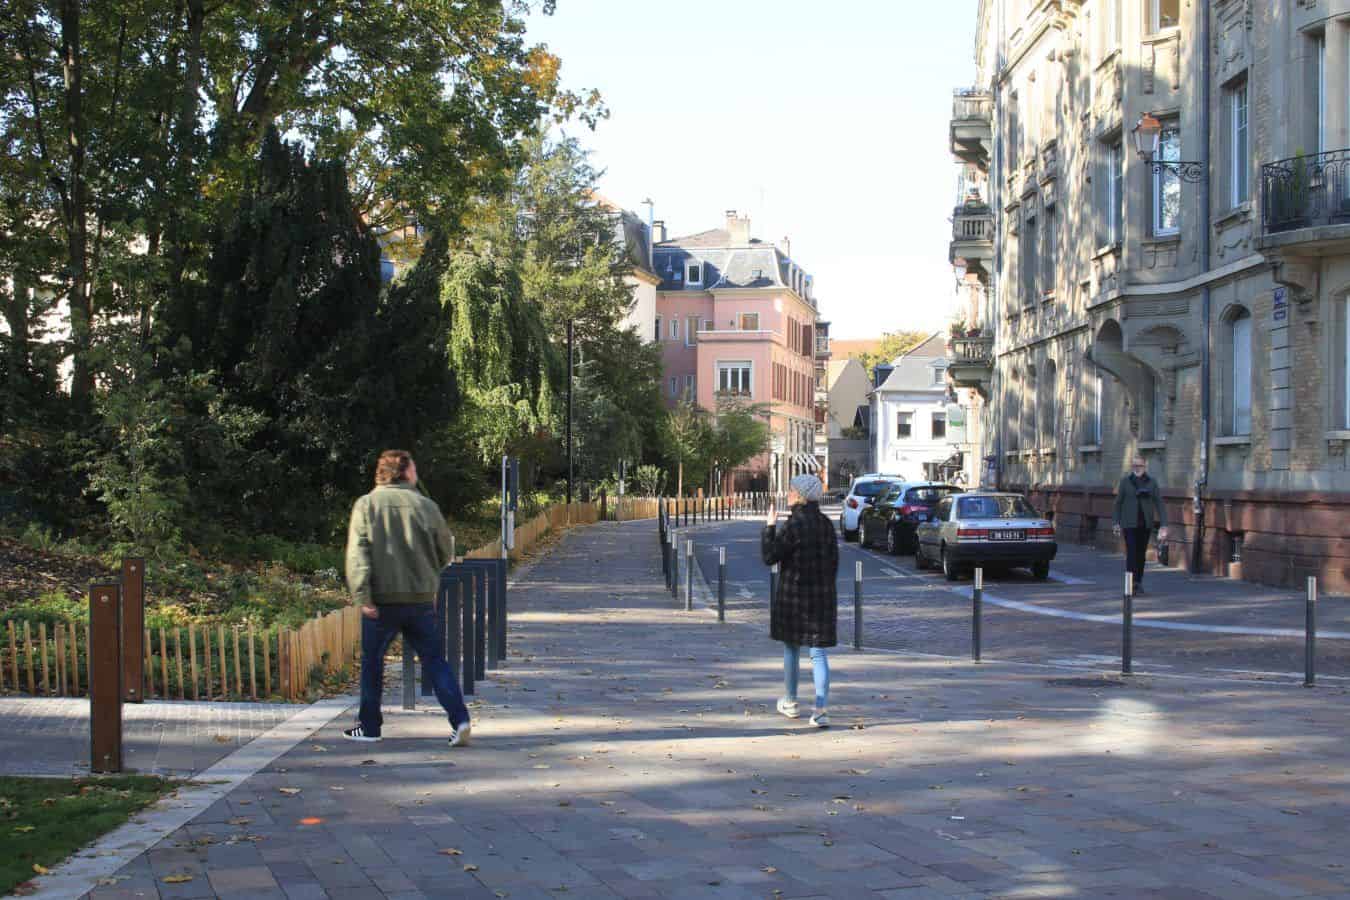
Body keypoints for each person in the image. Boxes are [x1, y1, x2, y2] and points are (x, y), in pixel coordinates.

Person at [343, 450, 471, 747]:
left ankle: (370, 727)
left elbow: (357, 555)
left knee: (372, 662)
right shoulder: (426, 506)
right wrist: (429, 578)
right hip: (420, 599)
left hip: (381, 600)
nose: (417, 473)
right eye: (414, 468)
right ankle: (460, 719)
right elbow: (444, 551)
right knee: (435, 661)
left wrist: (362, 595)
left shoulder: (366, 505)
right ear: (404, 472)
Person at [761, 474, 839, 728]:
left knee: (791, 648)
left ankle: (791, 702)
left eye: (791, 490)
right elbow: (833, 563)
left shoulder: (793, 525)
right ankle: (820, 710)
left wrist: (770, 527)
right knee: (818, 653)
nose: (788, 494)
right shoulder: (826, 524)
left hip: (793, 598)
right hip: (821, 597)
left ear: (800, 495)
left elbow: (770, 556)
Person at [1112, 454, 1168, 594]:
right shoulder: (1125, 482)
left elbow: (1159, 503)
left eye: (1139, 465)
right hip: (1129, 524)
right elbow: (1118, 504)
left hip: (1145, 524)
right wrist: (1116, 523)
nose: (1136, 468)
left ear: (1145, 466)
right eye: (1134, 466)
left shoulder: (1151, 482)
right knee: (1131, 552)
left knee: (1141, 554)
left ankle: (1138, 582)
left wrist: (1164, 524)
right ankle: (1130, 583)